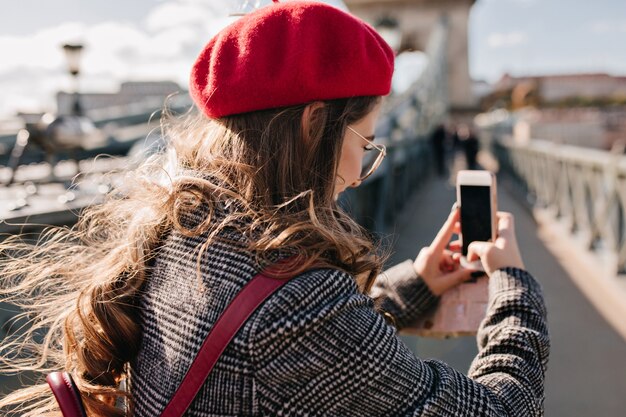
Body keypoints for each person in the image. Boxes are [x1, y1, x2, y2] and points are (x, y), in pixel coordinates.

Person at [0, 1, 549, 416]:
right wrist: (515, 285)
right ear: (315, 125)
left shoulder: (182, 229)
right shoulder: (302, 305)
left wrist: (419, 282)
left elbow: (288, 346)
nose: (362, 172)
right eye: (365, 143)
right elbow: (500, 408)